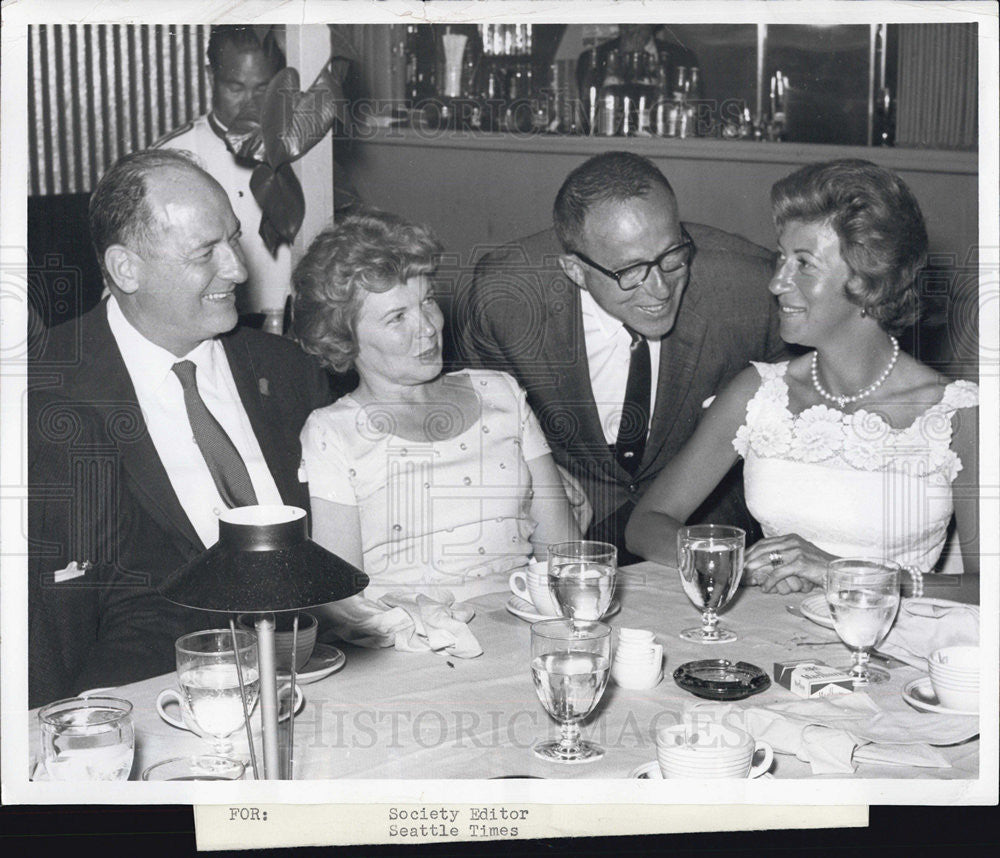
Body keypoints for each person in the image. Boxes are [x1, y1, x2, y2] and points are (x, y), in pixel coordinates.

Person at [28, 149, 334, 707]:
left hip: (318, 678)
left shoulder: (287, 370)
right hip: (146, 704)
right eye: (204, 253)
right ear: (126, 269)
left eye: (233, 241)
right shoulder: (43, 393)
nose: (238, 270)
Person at [626, 159, 979, 601]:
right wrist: (742, 564)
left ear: (870, 280)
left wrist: (842, 573)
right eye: (780, 258)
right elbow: (647, 523)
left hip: (896, 648)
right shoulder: (760, 393)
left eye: (804, 264)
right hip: (771, 639)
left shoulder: (959, 415)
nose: (776, 282)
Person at [454, 151, 785, 564]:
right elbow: (487, 438)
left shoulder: (751, 288)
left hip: (703, 531)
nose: (660, 289)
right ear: (575, 270)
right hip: (572, 526)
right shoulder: (505, 301)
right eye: (630, 272)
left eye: (672, 257)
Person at [293, 209, 581, 602]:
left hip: (524, 625)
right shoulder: (332, 434)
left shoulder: (501, 393)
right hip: (409, 648)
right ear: (345, 338)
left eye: (427, 301)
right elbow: (341, 599)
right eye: (398, 317)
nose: (428, 326)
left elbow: (564, 555)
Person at [155, 26, 291, 317]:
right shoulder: (169, 158)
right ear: (210, 77)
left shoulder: (301, 148)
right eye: (235, 88)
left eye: (263, 89)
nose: (250, 104)